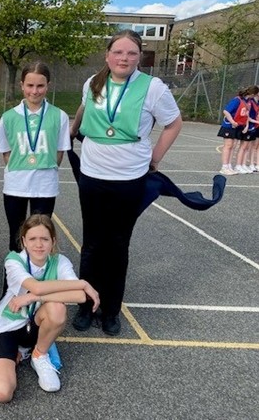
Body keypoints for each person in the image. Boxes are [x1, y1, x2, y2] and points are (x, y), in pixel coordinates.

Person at [69, 30, 182, 336]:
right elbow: (83, 108)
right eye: (118, 52)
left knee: (117, 245)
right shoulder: (93, 82)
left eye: (131, 53)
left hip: (129, 179)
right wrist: (72, 130)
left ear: (139, 57)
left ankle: (110, 310)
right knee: (91, 244)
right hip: (92, 176)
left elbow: (174, 123)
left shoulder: (153, 88)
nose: (124, 58)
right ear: (107, 55)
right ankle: (85, 305)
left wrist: (155, 157)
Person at [0, 214, 99, 402]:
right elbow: (39, 286)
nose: (39, 245)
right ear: (24, 241)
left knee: (57, 308)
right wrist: (82, 283)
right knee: (2, 393)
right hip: (9, 325)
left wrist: (34, 297)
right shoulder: (14, 260)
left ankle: (39, 354)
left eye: (44, 239)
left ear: (52, 241)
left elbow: (79, 296)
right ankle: (22, 350)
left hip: (37, 322)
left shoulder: (60, 261)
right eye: (32, 239)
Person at [0, 62, 71, 252]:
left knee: (41, 237)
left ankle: (39, 278)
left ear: (48, 86)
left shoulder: (59, 116)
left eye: (40, 86)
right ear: (21, 85)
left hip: (45, 186)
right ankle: (14, 281)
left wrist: (42, 167)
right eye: (30, 85)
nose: (35, 91)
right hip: (16, 186)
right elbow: (6, 152)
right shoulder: (8, 117)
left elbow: (59, 152)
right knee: (17, 236)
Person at [217, 85, 259, 175]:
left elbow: (246, 115)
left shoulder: (247, 102)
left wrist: (246, 125)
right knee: (228, 145)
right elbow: (226, 111)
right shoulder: (237, 100)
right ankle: (224, 167)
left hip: (238, 126)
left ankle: (229, 165)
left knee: (233, 146)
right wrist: (232, 121)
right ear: (252, 94)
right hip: (229, 125)